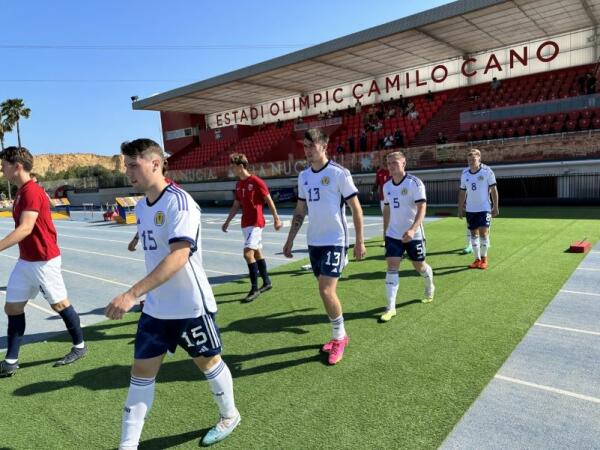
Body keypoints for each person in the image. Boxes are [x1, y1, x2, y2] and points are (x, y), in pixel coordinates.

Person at [105, 139, 240, 449]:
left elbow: (179, 257)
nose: (128, 172)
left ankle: (229, 415)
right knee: (141, 373)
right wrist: (137, 238)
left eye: (133, 165)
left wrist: (131, 294)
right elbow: (151, 228)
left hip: (190, 306)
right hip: (156, 309)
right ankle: (128, 445)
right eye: (126, 166)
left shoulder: (181, 202)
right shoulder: (140, 205)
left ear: (156, 163)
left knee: (208, 363)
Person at [0, 147, 87, 377]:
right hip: (26, 260)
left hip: (44, 260)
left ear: (17, 166)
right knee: (12, 307)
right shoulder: (21, 191)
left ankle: (79, 346)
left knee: (59, 305)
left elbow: (26, 228)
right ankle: (11, 361)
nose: (2, 169)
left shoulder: (32, 192)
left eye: (4, 165)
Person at [283, 129, 366, 365]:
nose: (308, 151)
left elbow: (356, 208)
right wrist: (290, 240)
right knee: (324, 291)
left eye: (312, 146)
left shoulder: (339, 173)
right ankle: (337, 333)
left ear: (324, 146)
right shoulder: (304, 177)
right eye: (305, 147)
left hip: (335, 240)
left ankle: (340, 337)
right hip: (314, 242)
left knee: (326, 291)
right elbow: (300, 211)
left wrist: (359, 241)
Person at [380, 151, 434, 322]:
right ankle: (390, 307)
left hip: (414, 234)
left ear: (404, 163)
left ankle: (429, 286)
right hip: (394, 235)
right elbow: (387, 209)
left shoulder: (415, 183)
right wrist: (385, 230)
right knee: (392, 267)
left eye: (394, 162)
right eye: (388, 163)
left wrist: (412, 229)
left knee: (419, 266)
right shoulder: (387, 186)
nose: (391, 166)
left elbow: (422, 208)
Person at [222, 153, 282, 302]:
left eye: (233, 166)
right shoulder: (238, 184)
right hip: (245, 224)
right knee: (256, 253)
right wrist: (227, 221)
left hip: (256, 223)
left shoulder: (255, 181)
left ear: (241, 166)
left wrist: (276, 218)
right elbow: (236, 205)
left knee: (247, 254)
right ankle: (266, 282)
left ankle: (254, 288)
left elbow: (268, 199)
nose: (231, 169)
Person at [458, 148, 499, 270]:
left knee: (483, 234)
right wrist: (460, 208)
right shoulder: (464, 173)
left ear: (479, 158)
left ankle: (484, 258)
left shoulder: (487, 171)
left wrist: (495, 206)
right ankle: (477, 260)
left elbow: (493, 190)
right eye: (469, 160)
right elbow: (462, 191)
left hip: (484, 208)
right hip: (470, 209)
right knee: (473, 235)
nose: (471, 162)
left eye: (473, 159)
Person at [372, 156, 391, 245]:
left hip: (393, 198)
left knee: (395, 218)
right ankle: (385, 239)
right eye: (383, 161)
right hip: (383, 199)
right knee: (386, 218)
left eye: (386, 161)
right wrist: (372, 191)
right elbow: (376, 184)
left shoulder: (392, 172)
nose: (384, 162)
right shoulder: (379, 172)